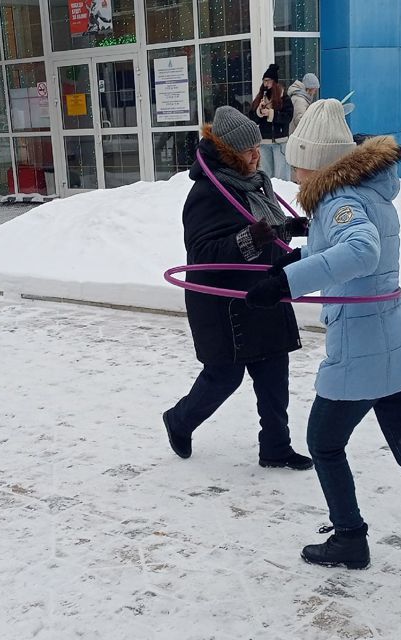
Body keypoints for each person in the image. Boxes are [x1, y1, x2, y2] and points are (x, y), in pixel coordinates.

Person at [244, 100, 401, 594]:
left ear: (318, 162)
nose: (294, 174)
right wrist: (294, 256)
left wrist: (285, 285)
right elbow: (341, 246)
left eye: (299, 163)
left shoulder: (340, 200)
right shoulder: (365, 192)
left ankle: (349, 539)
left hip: (362, 347)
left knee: (323, 443)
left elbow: (361, 250)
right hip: (393, 344)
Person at [161, 105, 312, 471]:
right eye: (248, 151)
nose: (256, 156)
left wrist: (291, 229)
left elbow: (265, 227)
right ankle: (179, 420)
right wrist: (251, 238)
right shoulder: (207, 193)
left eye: (258, 149)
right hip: (223, 304)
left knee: (274, 374)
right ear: (229, 153)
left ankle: (275, 447)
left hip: (262, 291)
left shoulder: (255, 182)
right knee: (224, 377)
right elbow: (202, 254)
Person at [250, 64, 293, 182]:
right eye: (264, 81)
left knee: (281, 176)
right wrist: (259, 111)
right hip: (264, 142)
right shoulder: (260, 98)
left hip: (280, 142)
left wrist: (271, 114)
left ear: (274, 82)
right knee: (266, 175)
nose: (265, 84)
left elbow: (288, 117)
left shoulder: (284, 99)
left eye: (268, 81)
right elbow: (252, 118)